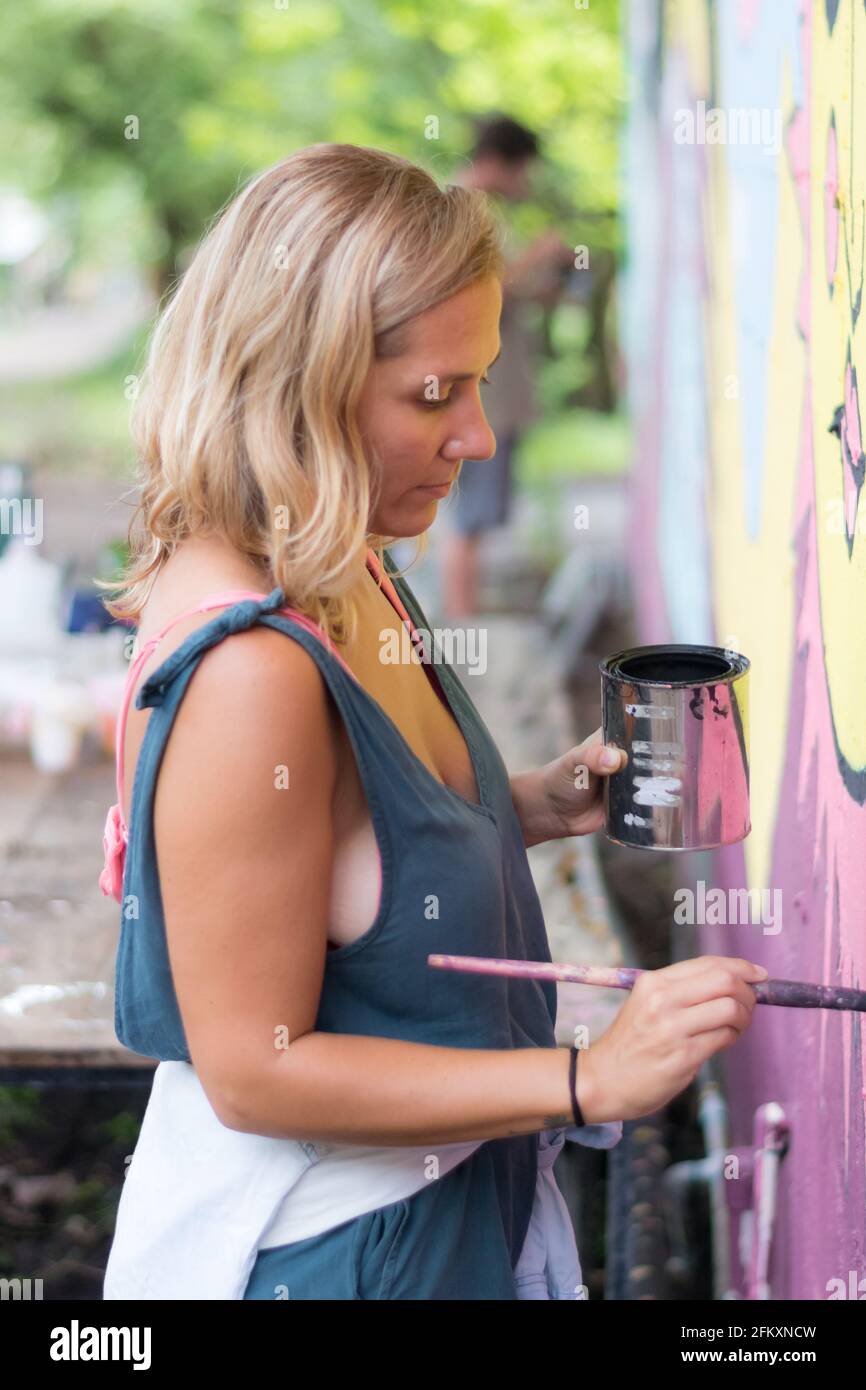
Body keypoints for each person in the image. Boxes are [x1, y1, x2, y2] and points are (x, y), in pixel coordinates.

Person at [98, 143, 767, 1300]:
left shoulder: (343, 552)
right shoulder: (252, 667)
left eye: (479, 382)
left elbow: (342, 851)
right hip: (347, 1251)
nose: (479, 435)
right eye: (432, 394)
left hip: (439, 1209)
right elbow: (255, 1073)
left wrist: (528, 808)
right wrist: (582, 1082)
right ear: (292, 381)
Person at [443, 115, 574, 617]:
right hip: (484, 392)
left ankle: (464, 615)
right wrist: (540, 254)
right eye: (524, 171)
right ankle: (461, 621)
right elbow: (475, 291)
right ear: (500, 163)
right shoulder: (460, 206)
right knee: (469, 514)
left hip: (493, 387)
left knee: (474, 512)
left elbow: (498, 291)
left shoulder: (478, 209)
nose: (527, 185)